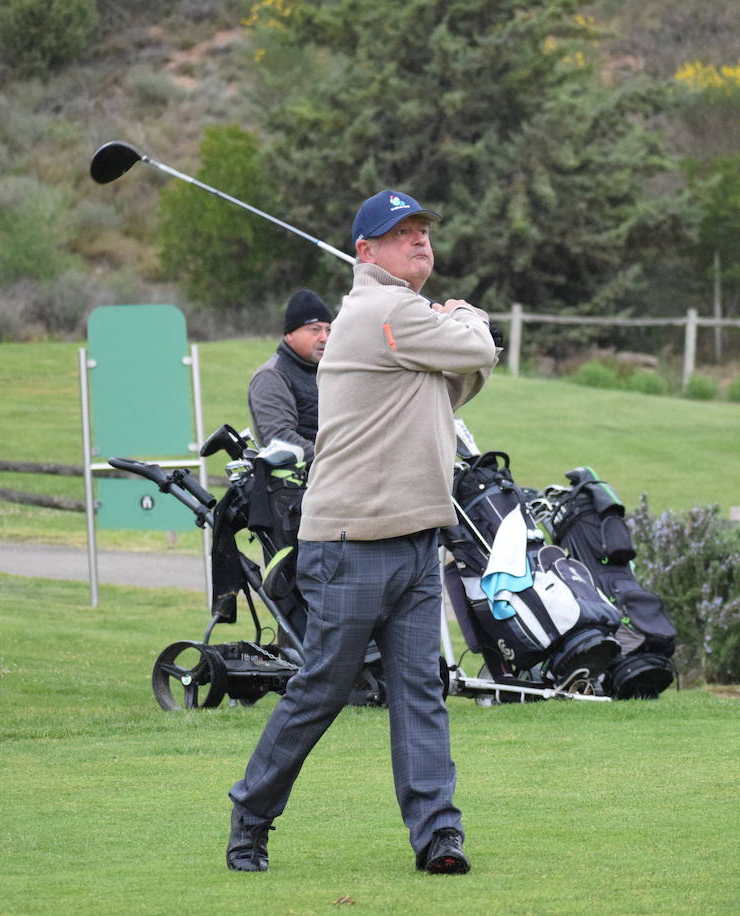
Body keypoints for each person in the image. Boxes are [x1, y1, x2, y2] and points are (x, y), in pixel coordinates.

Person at [227, 189, 499, 875]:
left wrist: (458, 336)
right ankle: (250, 816)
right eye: (400, 233)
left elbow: (460, 376)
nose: (419, 242)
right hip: (351, 544)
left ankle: (439, 836)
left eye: (423, 232)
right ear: (366, 252)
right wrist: (464, 313)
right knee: (321, 690)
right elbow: (478, 343)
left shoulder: (397, 321)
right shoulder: (382, 311)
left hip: (413, 539)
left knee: (419, 693)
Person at [247, 289, 333, 463]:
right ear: (290, 334)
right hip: (299, 484)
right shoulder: (271, 376)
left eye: (328, 330)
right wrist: (334, 461)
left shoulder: (328, 371)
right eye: (314, 330)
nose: (324, 338)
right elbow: (280, 439)